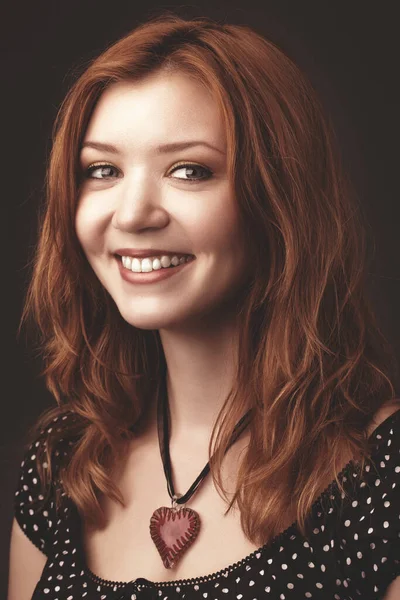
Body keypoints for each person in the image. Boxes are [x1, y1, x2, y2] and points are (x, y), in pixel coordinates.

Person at [8, 12, 400, 600]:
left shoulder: (381, 473)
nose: (134, 212)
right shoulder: (61, 461)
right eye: (102, 170)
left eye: (189, 170)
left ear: (280, 198)